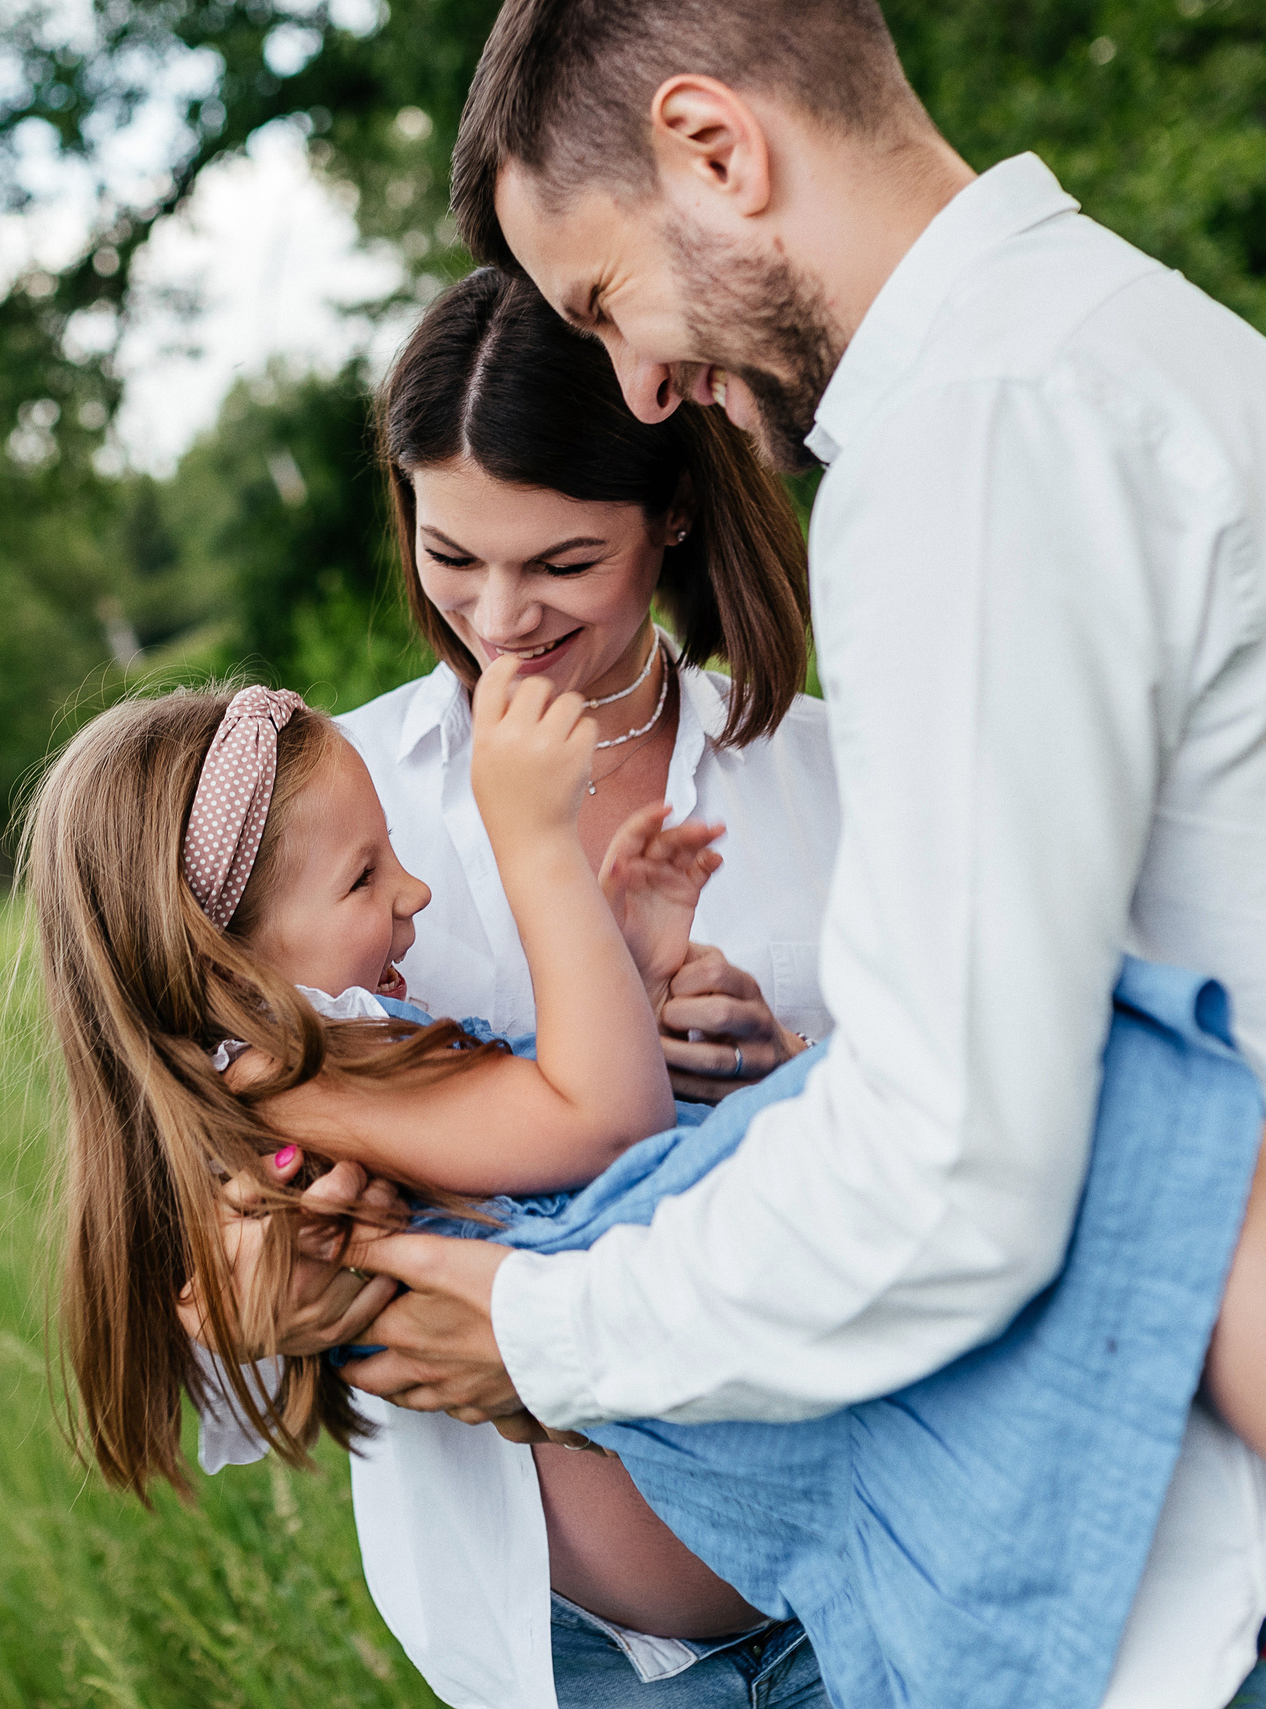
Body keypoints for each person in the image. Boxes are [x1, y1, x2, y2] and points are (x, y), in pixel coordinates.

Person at [335, 3, 1266, 1706]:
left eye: (607, 298)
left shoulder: (973, 440)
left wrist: (541, 1328)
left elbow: (958, 1160)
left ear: (719, 149)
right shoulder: (1119, 338)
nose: (638, 384)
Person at [18, 668, 1266, 1709]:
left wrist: (624, 965)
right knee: (1081, 1099)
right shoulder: (304, 1086)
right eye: (364, 880)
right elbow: (602, 1123)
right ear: (216, 963)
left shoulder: (331, 1064)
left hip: (752, 1553)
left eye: (397, 857)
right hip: (639, 1624)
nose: (411, 892)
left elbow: (550, 1140)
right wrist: (537, 848)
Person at [295, 264, 844, 1706]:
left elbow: (965, 1114)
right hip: (571, 1646)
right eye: (449, 554)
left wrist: (784, 1066)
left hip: (865, 1552)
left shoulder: (825, 769)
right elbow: (224, 1140)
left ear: (668, 513)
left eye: (558, 564)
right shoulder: (344, 817)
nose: (495, 618)